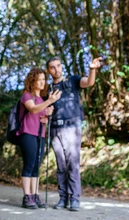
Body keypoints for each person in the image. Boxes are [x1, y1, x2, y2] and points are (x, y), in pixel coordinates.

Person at [46, 56, 102, 211]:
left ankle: (75, 199)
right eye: (52, 67)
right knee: (61, 165)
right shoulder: (48, 89)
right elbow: (45, 108)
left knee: (73, 165)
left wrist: (92, 69)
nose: (56, 69)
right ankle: (63, 198)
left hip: (72, 128)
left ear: (62, 66)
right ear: (48, 70)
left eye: (58, 65)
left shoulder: (72, 80)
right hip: (55, 129)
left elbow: (89, 82)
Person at [17, 68, 61, 209]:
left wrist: (47, 115)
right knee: (29, 165)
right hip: (27, 133)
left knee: (36, 166)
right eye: (39, 79)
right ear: (33, 81)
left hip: (39, 134)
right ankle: (27, 196)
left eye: (44, 79)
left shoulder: (42, 99)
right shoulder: (27, 95)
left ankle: (35, 195)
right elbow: (34, 109)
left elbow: (41, 118)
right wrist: (49, 101)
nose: (42, 82)